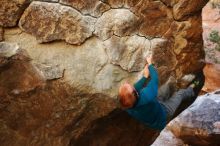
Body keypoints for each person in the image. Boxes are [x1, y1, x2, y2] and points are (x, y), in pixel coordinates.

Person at [118, 55, 204, 131]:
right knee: (180, 94)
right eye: (130, 86)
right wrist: (150, 64)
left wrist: (144, 77)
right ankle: (192, 90)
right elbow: (155, 79)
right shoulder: (146, 96)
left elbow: (135, 89)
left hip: (154, 107)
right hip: (163, 114)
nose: (127, 83)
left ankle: (175, 91)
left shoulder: (127, 106)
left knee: (166, 87)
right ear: (135, 94)